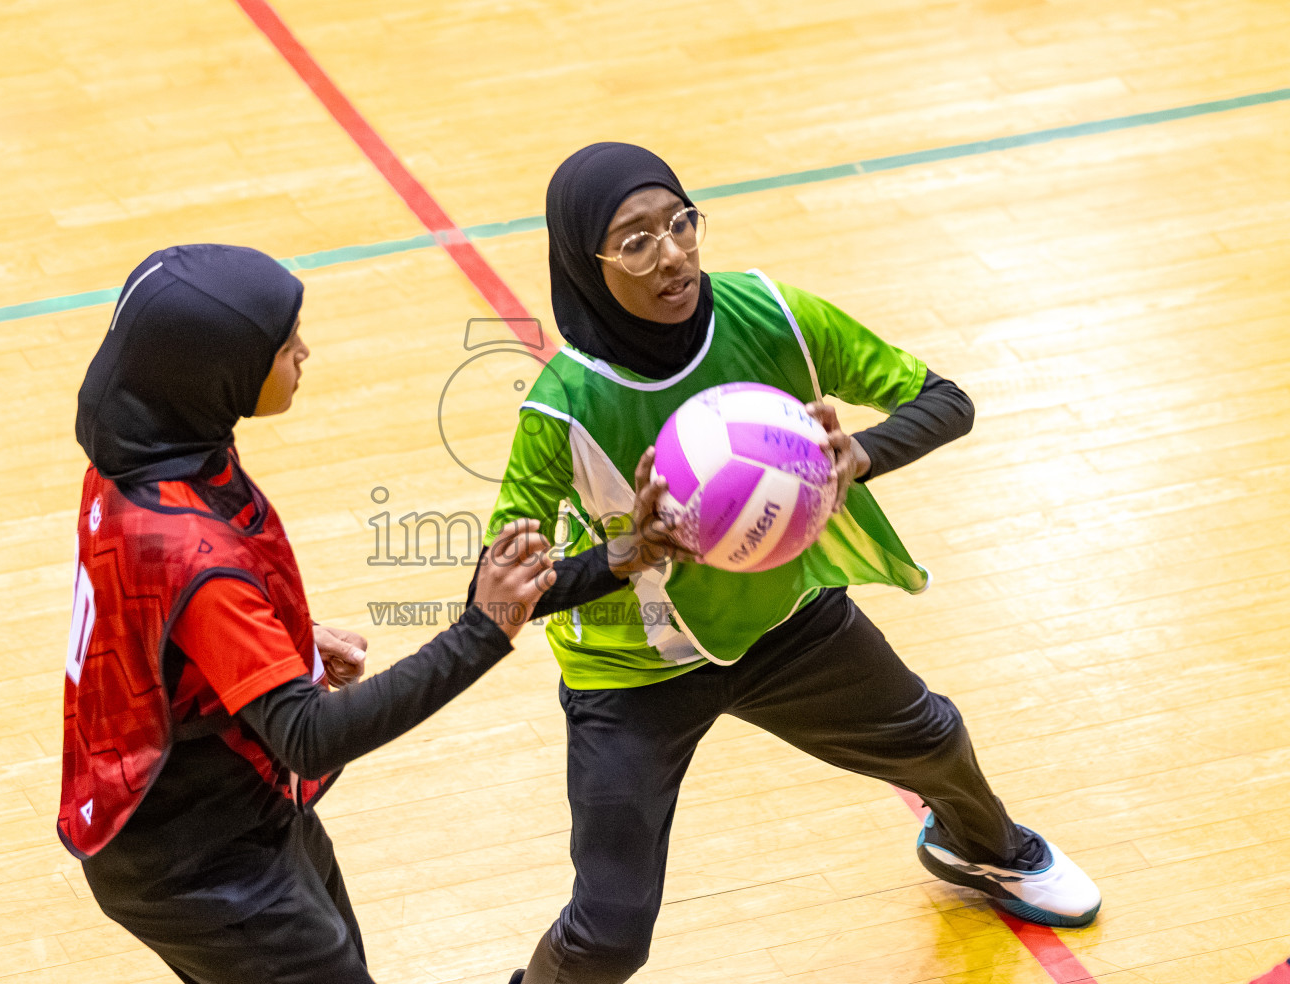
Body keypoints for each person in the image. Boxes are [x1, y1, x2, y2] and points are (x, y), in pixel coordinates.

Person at [471, 143, 1101, 984]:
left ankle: (977, 849)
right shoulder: (564, 408)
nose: (674, 255)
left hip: (786, 623)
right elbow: (500, 594)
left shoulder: (772, 313)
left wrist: (859, 458)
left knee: (935, 739)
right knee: (608, 937)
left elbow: (946, 400)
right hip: (632, 671)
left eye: (681, 222)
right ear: (585, 266)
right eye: (635, 241)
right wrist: (630, 552)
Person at [59, 243, 555, 984]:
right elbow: (308, 736)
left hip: (234, 807)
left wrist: (278, 642)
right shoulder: (192, 550)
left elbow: (150, 615)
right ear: (215, 369)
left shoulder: (137, 456)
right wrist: (482, 631)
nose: (304, 351)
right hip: (196, 863)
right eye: (282, 343)